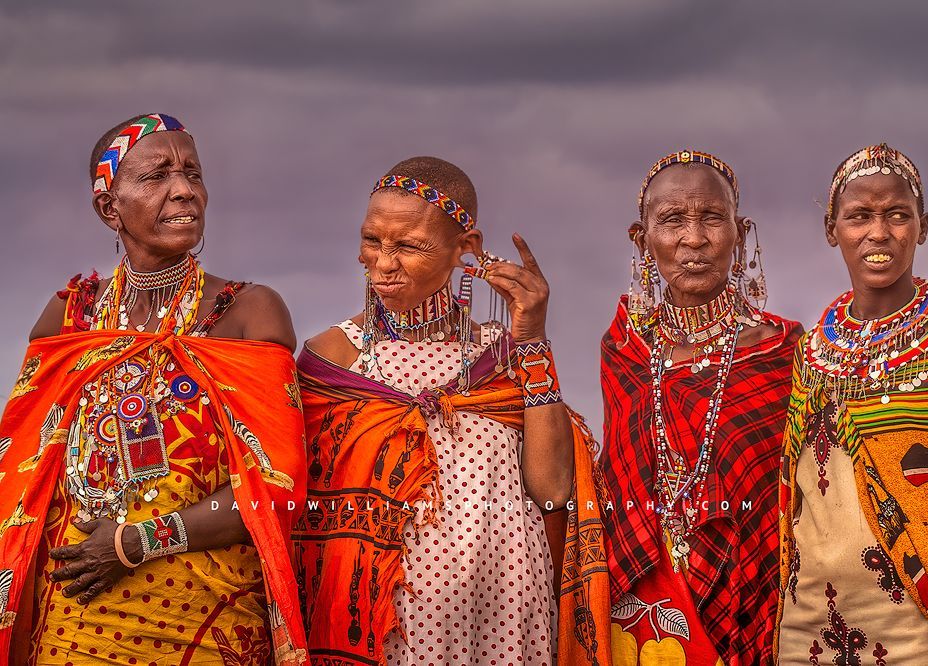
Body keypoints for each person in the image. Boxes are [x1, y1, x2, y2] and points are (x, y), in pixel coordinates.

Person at [0, 114, 308, 665]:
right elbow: (21, 474)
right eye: (156, 175)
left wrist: (134, 543)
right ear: (108, 207)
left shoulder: (247, 313)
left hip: (207, 622)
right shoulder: (70, 318)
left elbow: (275, 485)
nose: (184, 189)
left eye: (193, 173)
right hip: (73, 618)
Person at [293, 156, 611, 665]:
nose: (383, 262)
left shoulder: (504, 355)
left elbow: (552, 488)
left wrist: (532, 337)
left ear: (467, 247)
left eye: (408, 246)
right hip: (389, 620)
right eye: (372, 240)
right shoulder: (330, 360)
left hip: (506, 607)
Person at [775, 143, 928, 665]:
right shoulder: (811, 352)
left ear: (922, 226)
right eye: (859, 216)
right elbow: (797, 497)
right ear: (832, 229)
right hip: (805, 628)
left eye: (897, 214)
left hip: (922, 631)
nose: (879, 232)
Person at [600, 150, 802, 665]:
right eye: (672, 220)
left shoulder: (784, 352)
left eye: (712, 218)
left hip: (756, 598)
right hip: (646, 610)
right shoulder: (624, 350)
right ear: (642, 239)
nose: (694, 238)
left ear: (740, 232)